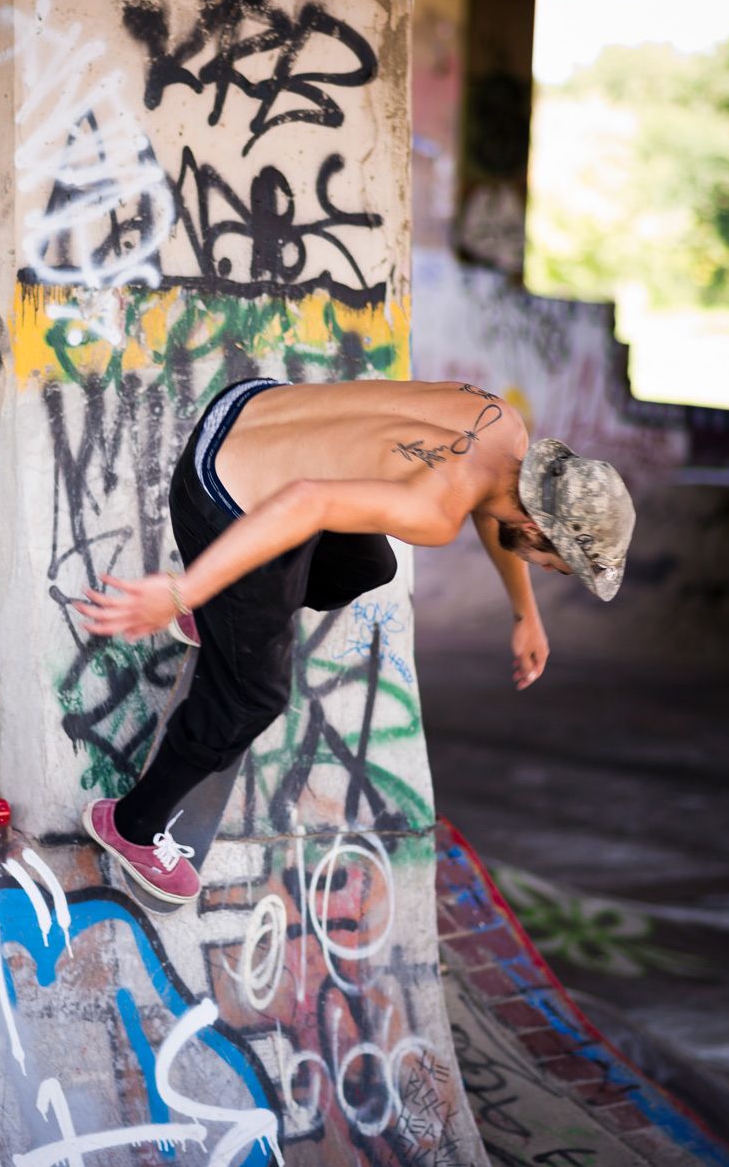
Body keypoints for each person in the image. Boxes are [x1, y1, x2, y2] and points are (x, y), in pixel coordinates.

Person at [74, 377, 635, 904]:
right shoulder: (435, 511)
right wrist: (184, 592)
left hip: (244, 407)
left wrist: (524, 612)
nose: (543, 569)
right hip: (219, 493)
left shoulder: (502, 426)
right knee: (253, 698)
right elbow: (305, 501)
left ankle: (227, 607)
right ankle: (131, 825)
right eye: (553, 566)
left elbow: (494, 512)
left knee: (367, 564)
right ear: (536, 528)